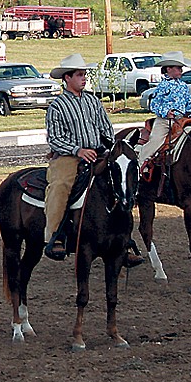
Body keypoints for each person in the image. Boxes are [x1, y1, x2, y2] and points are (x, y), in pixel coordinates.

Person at [43, 54, 115, 261]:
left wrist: (107, 146)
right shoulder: (57, 106)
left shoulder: (93, 100)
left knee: (119, 180)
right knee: (61, 185)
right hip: (68, 156)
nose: (84, 79)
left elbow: (106, 127)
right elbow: (55, 138)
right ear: (67, 78)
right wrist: (78, 150)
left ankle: (122, 236)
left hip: (98, 152)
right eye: (80, 75)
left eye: (84, 75)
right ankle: (55, 235)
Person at [138, 51, 191, 171]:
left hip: (182, 119)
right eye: (178, 68)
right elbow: (154, 104)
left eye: (181, 68)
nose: (181, 71)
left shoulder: (183, 85)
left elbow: (188, 102)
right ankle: (140, 162)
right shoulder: (162, 86)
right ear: (169, 69)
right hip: (165, 120)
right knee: (156, 140)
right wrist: (166, 112)